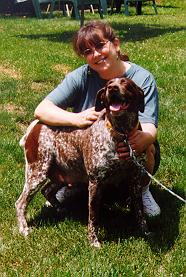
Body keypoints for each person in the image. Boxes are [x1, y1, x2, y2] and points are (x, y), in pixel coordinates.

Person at [34, 20, 160, 217]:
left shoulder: (142, 78)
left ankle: (142, 189)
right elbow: (41, 110)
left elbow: (149, 125)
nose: (96, 54)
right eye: (88, 52)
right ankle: (77, 186)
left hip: (130, 142)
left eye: (100, 46)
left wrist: (143, 139)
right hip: (91, 153)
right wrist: (76, 118)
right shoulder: (80, 77)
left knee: (148, 144)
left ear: (115, 44)